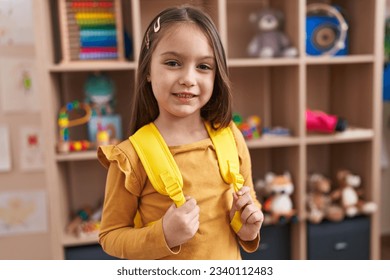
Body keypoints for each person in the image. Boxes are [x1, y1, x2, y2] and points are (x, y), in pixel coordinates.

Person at [97, 5, 263, 260]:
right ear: (148, 70)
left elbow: (247, 202)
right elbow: (110, 236)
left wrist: (249, 228)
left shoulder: (231, 137)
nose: (188, 78)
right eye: (173, 63)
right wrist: (163, 234)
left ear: (216, 74)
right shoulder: (129, 158)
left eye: (204, 67)